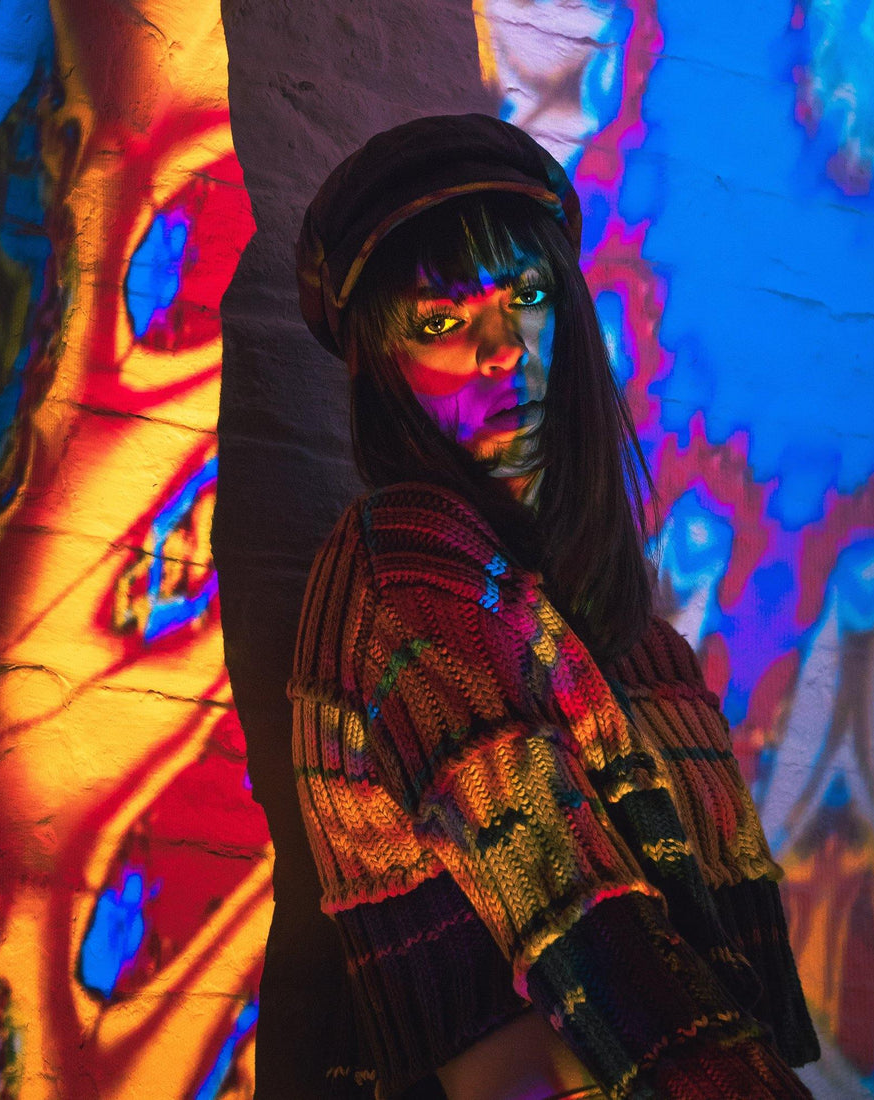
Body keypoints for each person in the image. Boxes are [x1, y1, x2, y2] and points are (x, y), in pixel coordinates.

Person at [290, 113, 820, 1100]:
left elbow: (731, 977)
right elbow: (593, 945)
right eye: (440, 322)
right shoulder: (407, 577)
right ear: (380, 364)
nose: (503, 350)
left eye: (526, 296)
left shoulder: (638, 643)